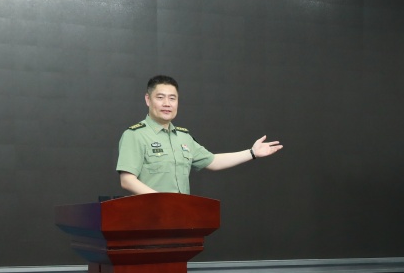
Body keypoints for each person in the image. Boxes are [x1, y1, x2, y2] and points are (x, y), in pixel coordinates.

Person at [116, 74, 283, 195]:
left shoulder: (183, 137)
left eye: (172, 98)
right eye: (160, 97)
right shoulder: (135, 135)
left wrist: (252, 153)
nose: (167, 104)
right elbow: (127, 180)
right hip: (149, 219)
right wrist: (162, 202)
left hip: (182, 217)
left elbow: (213, 161)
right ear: (148, 100)